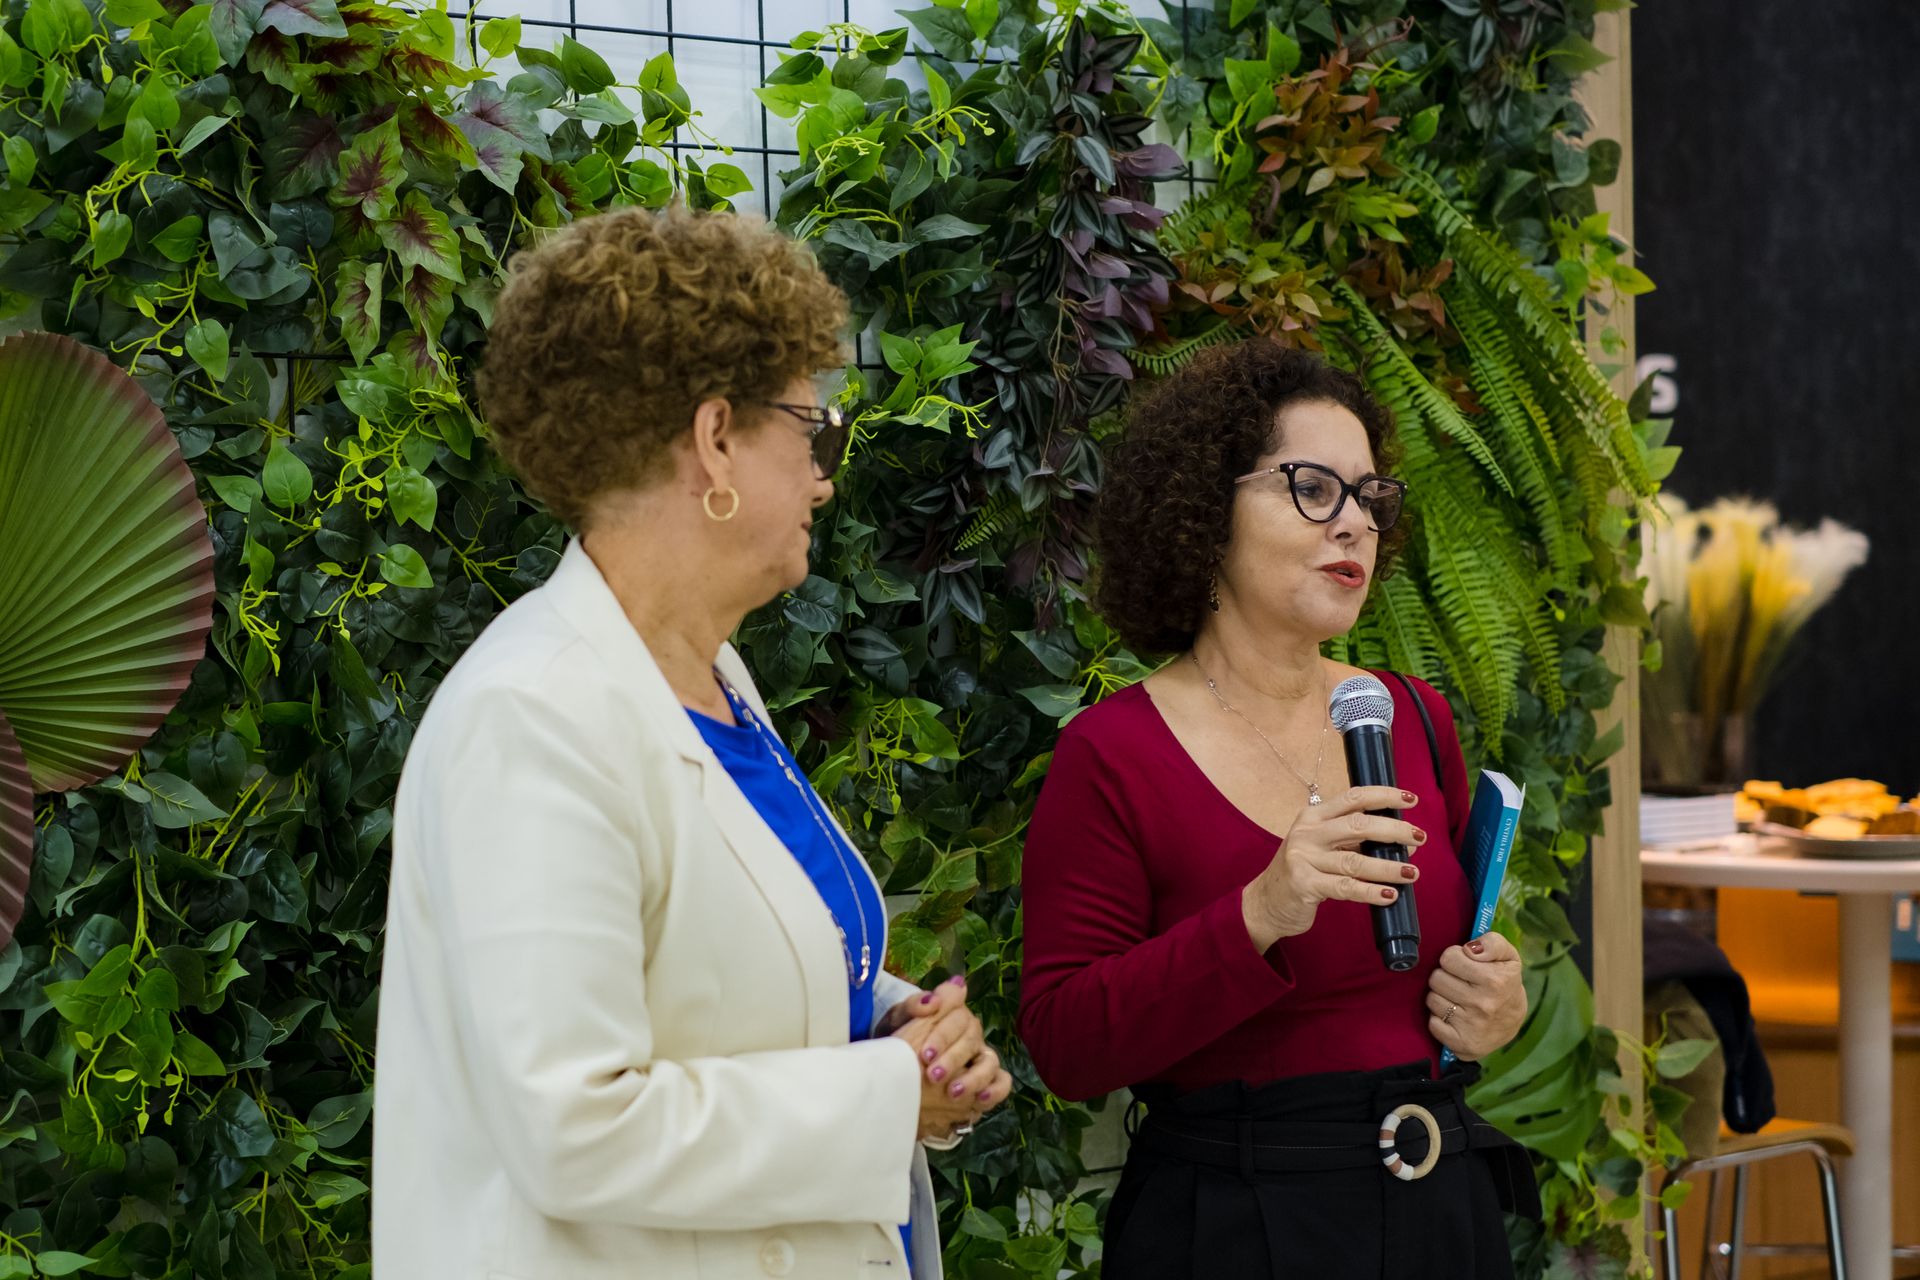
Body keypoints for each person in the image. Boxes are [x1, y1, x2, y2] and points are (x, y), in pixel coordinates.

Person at [372, 205, 1013, 1279]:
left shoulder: (708, 676)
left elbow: (709, 975)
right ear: (715, 438)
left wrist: (892, 1015)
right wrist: (889, 1089)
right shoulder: (532, 715)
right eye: (814, 432)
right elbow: (574, 1123)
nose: (824, 475)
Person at [1017, 338, 1538, 1278]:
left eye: (1371, 498)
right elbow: (1065, 1043)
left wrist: (1494, 1001)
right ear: (1205, 511)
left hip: (1439, 1207)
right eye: (1313, 488)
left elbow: (1451, 969)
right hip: (1235, 1221)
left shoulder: (1412, 714)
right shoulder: (1112, 752)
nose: (1355, 526)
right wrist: (1261, 912)